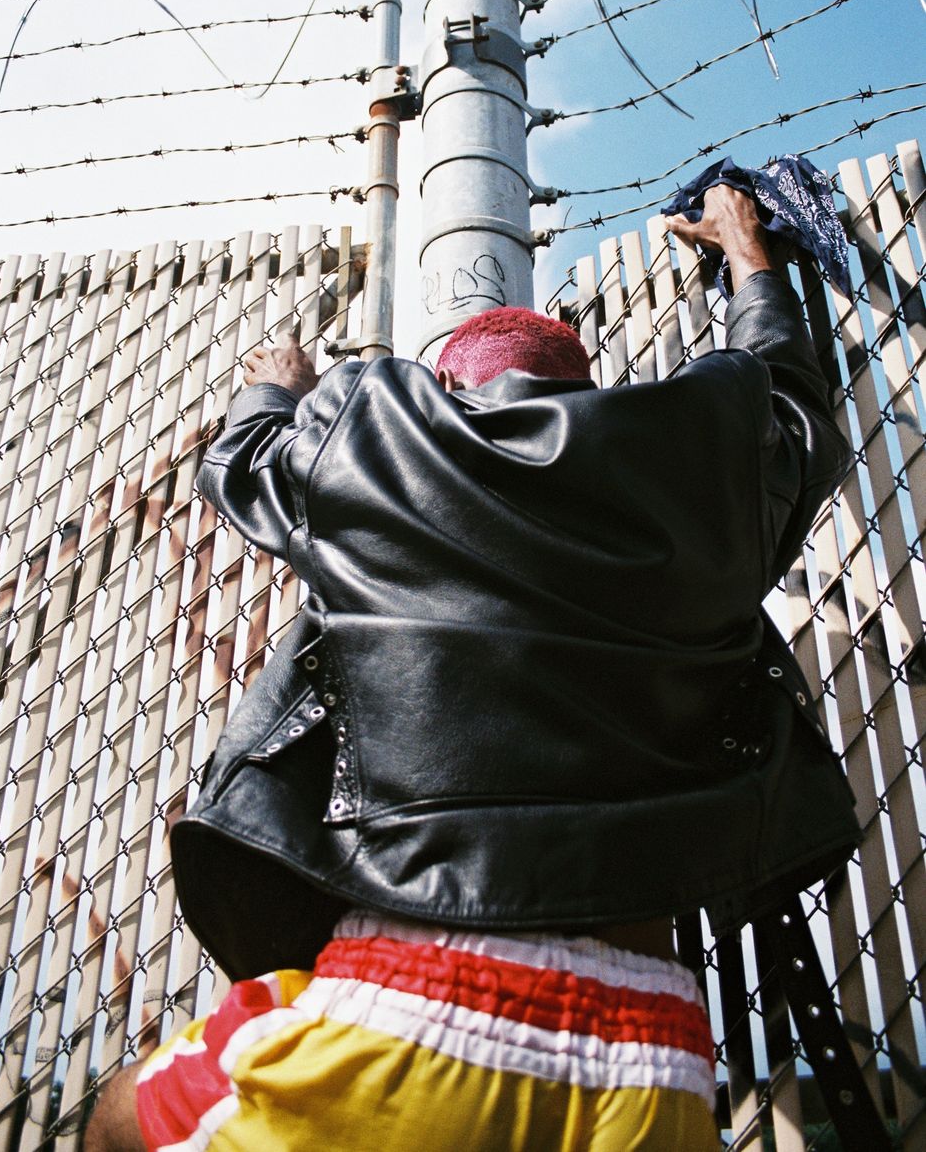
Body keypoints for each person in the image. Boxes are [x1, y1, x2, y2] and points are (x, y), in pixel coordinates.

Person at [85, 186, 859, 1151]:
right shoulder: (696, 464)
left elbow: (242, 464)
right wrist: (749, 256)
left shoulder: (373, 442)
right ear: (586, 388)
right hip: (651, 1039)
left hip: (417, 992)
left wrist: (279, 388)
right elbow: (794, 407)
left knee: (118, 1121)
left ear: (448, 387)